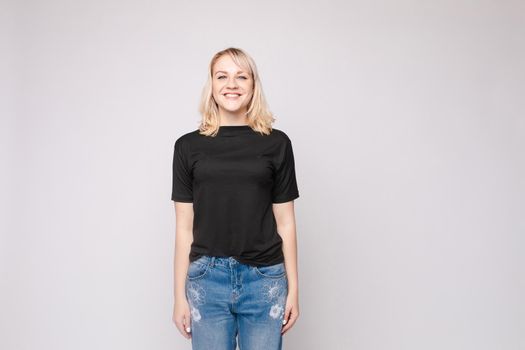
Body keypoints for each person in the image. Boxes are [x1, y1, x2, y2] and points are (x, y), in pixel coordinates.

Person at [171, 47, 300, 350]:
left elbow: (286, 222)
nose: (232, 84)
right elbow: (183, 228)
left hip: (264, 279)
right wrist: (178, 295)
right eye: (222, 76)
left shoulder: (277, 144)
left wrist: (294, 288)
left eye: (241, 76)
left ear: (253, 86)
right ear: (212, 86)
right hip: (206, 278)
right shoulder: (187, 147)